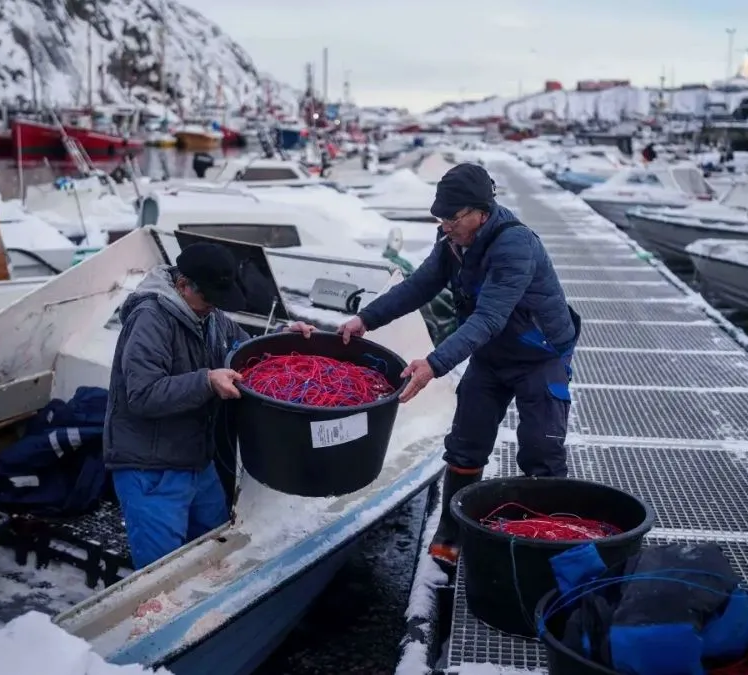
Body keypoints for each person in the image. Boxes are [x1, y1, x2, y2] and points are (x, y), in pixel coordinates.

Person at [336, 162, 581, 566]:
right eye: (440, 216)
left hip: (540, 355)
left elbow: (489, 317)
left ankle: (545, 544)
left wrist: (434, 363)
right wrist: (367, 319)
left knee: (541, 451)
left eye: (452, 217)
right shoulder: (451, 240)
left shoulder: (514, 245)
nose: (444, 224)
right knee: (466, 442)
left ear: (480, 213)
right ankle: (452, 528)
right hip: (490, 354)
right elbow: (420, 286)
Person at [103, 242, 313, 569]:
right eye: (209, 300)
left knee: (217, 546)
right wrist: (206, 381)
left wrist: (284, 336)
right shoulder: (150, 319)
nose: (214, 308)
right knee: (161, 574)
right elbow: (142, 395)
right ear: (183, 285)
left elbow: (243, 348)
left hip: (197, 461)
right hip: (150, 469)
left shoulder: (209, 314)